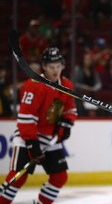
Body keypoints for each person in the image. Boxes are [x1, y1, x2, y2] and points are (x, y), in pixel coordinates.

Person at [0, 47, 77, 204]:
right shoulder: (34, 85)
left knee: (60, 177)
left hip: (49, 137)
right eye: (51, 67)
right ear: (44, 66)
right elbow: (26, 118)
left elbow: (70, 109)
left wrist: (66, 123)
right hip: (27, 136)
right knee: (19, 176)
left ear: (62, 65)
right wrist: (31, 143)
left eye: (58, 66)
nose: (55, 71)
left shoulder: (67, 85)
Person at [73, 51, 102, 116]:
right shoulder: (78, 69)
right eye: (87, 59)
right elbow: (74, 83)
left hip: (92, 93)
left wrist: (93, 88)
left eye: (89, 60)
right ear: (83, 60)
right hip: (80, 95)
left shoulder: (93, 71)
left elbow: (99, 84)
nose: (88, 61)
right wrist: (85, 87)